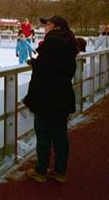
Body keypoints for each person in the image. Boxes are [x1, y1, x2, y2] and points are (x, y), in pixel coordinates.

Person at [23, 15, 78, 184]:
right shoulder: (69, 42)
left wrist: (35, 64)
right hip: (62, 95)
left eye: (47, 24)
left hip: (46, 97)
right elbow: (62, 67)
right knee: (60, 135)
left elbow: (45, 69)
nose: (45, 27)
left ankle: (41, 171)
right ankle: (60, 171)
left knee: (44, 134)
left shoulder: (52, 42)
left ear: (55, 26)